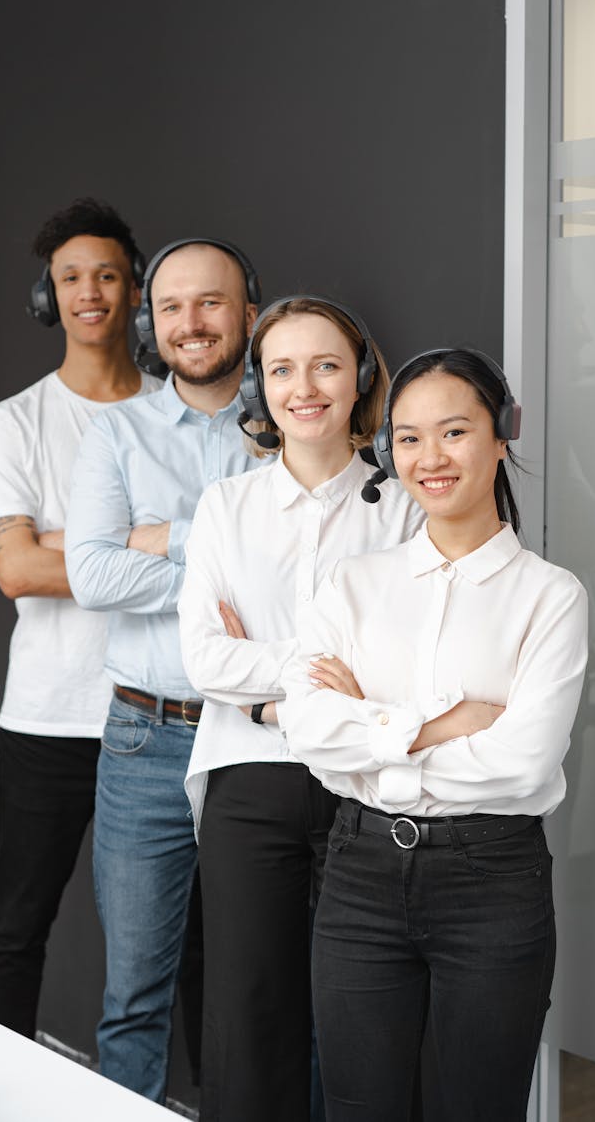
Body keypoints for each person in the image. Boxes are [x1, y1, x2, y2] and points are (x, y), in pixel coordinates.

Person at [282, 348, 589, 1122]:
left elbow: (523, 760)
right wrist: (447, 724)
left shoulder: (551, 598)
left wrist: (375, 731)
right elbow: (310, 728)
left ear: (500, 436)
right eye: (410, 438)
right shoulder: (354, 584)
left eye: (454, 431)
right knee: (359, 1109)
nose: (431, 458)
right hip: (356, 877)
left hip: (491, 878)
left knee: (477, 1109)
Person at [178, 296, 424, 1122]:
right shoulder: (225, 507)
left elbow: (410, 669)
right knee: (249, 1020)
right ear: (259, 385)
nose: (304, 386)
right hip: (250, 787)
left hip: (366, 788)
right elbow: (206, 659)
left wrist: (272, 694)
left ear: (361, 378)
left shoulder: (406, 507)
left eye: (325, 364)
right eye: (281, 367)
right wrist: (326, 676)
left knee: (362, 1018)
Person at [64, 237, 261, 1105]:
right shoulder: (117, 431)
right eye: (174, 305)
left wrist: (160, 534)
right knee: (133, 995)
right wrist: (213, 555)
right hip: (146, 738)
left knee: (263, 988)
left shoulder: (288, 427)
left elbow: (306, 585)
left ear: (248, 313)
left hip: (262, 742)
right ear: (151, 319)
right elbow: (93, 575)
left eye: (212, 302)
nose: (192, 322)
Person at [0, 198, 158, 1038]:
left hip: (159, 716)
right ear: (49, 296)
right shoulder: (14, 422)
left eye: (109, 275)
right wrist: (143, 543)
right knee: (17, 931)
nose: (91, 293)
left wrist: (71, 545)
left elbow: (215, 559)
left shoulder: (176, 416)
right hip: (48, 714)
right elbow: (16, 569)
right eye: (71, 278)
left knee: (167, 943)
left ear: (134, 292)